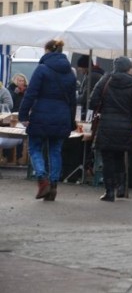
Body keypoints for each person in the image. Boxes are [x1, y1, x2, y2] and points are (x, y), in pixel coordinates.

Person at [18, 39, 77, 201]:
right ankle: (54, 186)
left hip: (41, 115)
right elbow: (73, 101)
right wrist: (71, 121)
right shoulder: (70, 73)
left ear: (48, 51)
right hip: (62, 116)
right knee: (55, 150)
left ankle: (43, 181)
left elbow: (31, 94)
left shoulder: (42, 69)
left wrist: (23, 115)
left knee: (35, 148)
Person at [89, 56, 132, 202]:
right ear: (127, 68)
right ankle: (121, 188)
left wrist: (103, 106)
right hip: (125, 126)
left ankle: (109, 192)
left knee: (107, 159)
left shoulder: (105, 79)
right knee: (120, 156)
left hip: (107, 125)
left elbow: (92, 101)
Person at [76, 55, 105, 120]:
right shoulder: (91, 74)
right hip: (91, 110)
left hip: (91, 111)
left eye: (80, 67)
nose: (78, 69)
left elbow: (86, 96)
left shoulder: (92, 76)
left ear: (85, 67)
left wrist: (74, 99)